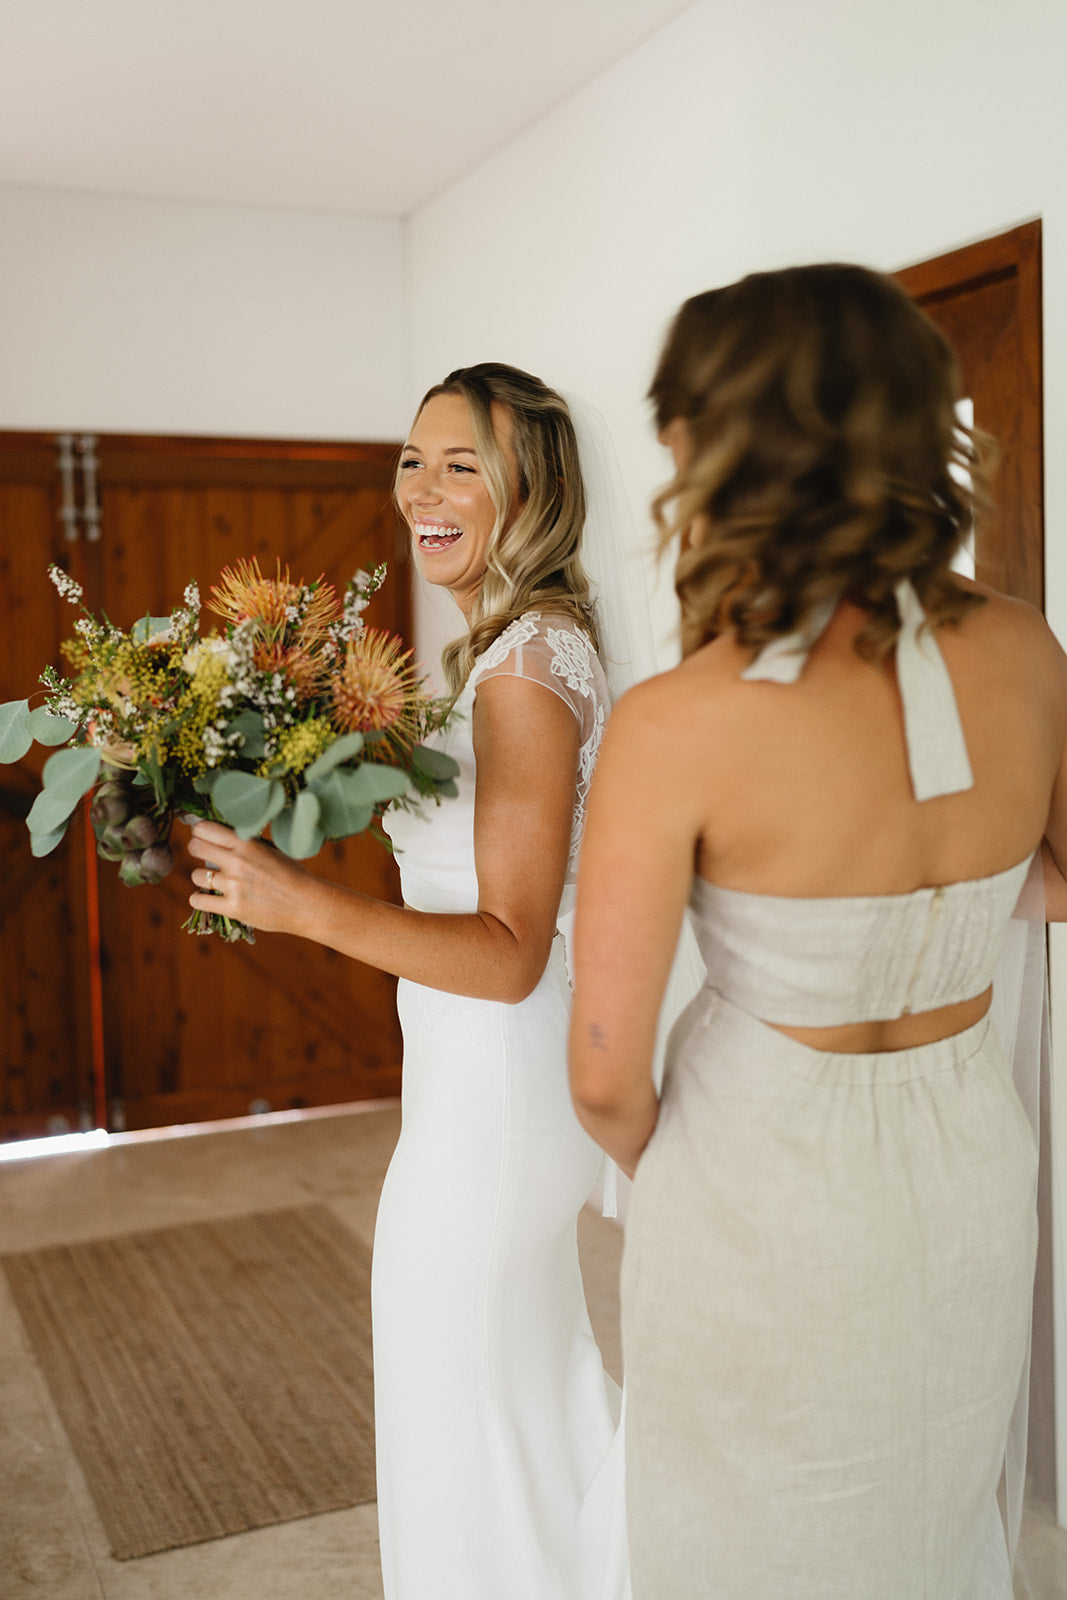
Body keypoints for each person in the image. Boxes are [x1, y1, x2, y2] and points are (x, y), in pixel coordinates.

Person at [567, 265, 1067, 1600]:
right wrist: (928, 903)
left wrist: (687, 1172)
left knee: (750, 1533)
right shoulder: (1025, 651)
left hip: (756, 1176)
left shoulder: (678, 721)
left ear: (718, 446)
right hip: (967, 1156)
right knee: (928, 1503)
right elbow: (1057, 883)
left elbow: (603, 1075)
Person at [188, 363, 631, 1600]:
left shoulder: (524, 669)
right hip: (476, 1085)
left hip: (496, 1092)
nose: (422, 491)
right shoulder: (507, 644)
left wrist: (301, 906)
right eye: (411, 460)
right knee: (519, 1395)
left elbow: (506, 949)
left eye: (461, 465)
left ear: (527, 485)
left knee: (458, 1397)